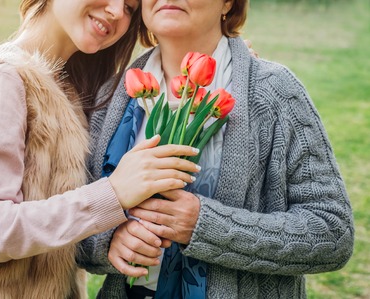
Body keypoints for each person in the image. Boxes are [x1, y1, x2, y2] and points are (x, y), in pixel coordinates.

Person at [0, 0, 202, 298]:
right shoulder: (1, 78)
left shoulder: (72, 89)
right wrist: (113, 194)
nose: (118, 12)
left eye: (130, 7)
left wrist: (223, 66)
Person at [79, 0, 355, 298]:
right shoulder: (112, 99)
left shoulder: (275, 93)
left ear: (227, 3)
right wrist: (110, 242)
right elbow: (74, 229)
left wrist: (205, 225)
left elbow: (332, 232)